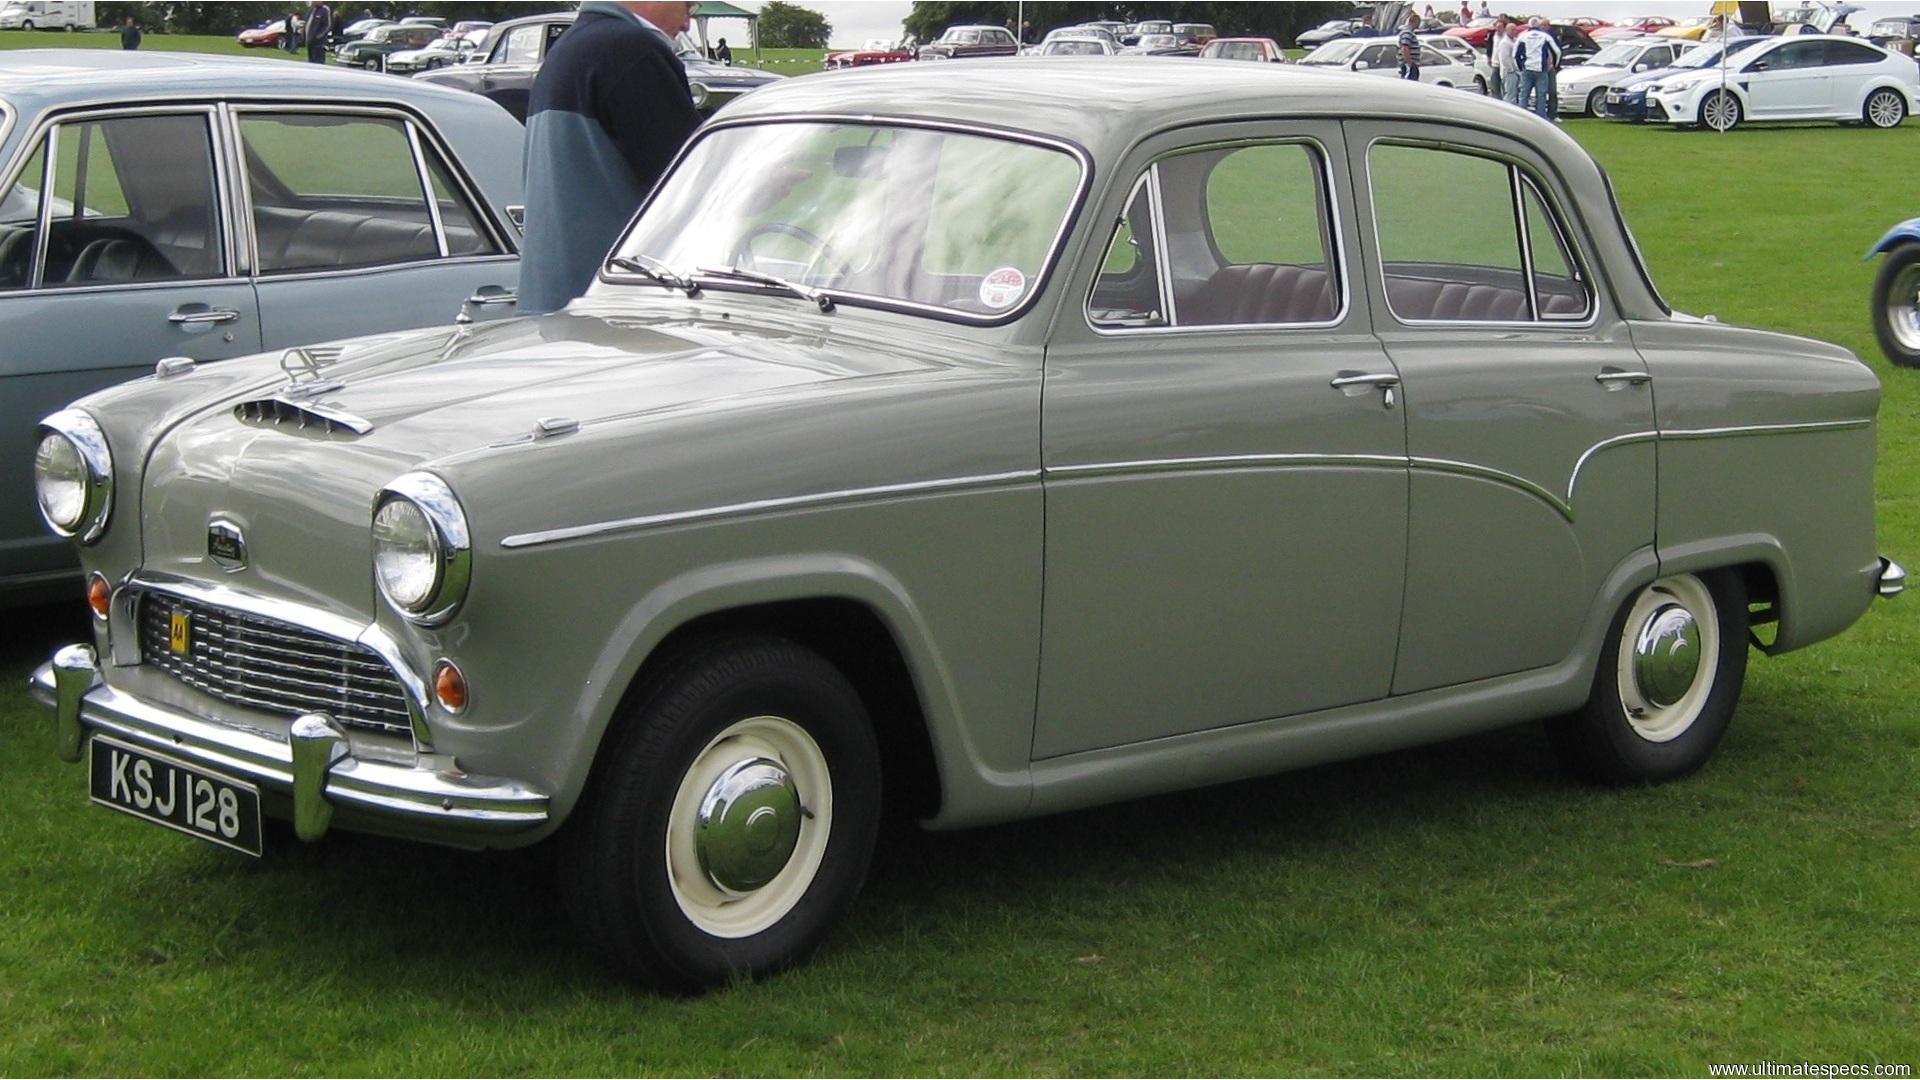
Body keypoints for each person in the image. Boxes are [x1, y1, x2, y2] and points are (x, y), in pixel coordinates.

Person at [520, 2, 700, 314]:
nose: (687, 24)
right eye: (688, 4)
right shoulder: (632, 50)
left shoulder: (569, 48)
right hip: (617, 312)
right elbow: (694, 184)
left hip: (552, 302)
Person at [1514, 16, 1559, 119]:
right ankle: (1541, 118)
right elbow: (1557, 51)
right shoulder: (1545, 36)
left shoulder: (1523, 36)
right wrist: (1554, 64)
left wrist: (1520, 67)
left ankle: (1522, 117)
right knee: (1541, 95)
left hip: (1527, 68)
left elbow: (1515, 54)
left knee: (1524, 95)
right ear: (1539, 25)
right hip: (1541, 69)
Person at [1487, 15, 1512, 101]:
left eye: (1500, 27)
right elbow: (1489, 48)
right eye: (1497, 27)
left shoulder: (1506, 37)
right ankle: (1496, 100)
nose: (1498, 29)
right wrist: (1489, 58)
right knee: (1494, 84)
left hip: (1504, 65)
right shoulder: (1492, 36)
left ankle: (1505, 100)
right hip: (1495, 63)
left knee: (1505, 85)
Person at [1397, 10, 1421, 80]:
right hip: (1409, 65)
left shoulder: (1408, 32)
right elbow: (1405, 48)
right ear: (1415, 22)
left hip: (1410, 64)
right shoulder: (1407, 33)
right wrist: (1409, 63)